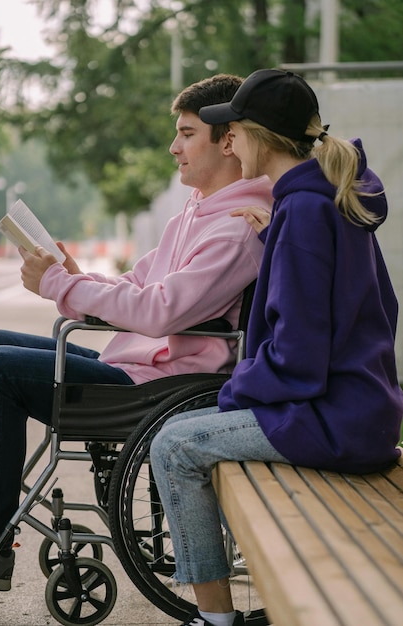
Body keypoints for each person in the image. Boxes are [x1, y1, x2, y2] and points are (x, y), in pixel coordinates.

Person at [0, 73, 274, 592]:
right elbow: (137, 284)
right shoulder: (195, 214)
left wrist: (59, 286)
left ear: (228, 140)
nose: (174, 147)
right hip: (137, 369)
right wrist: (74, 278)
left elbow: (161, 310)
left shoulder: (235, 228)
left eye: (187, 134)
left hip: (161, 387)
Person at [150, 68, 403, 626]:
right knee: (192, 432)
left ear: (259, 135)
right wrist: (278, 239)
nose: (228, 139)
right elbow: (380, 306)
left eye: (232, 128)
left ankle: (214, 620)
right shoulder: (323, 199)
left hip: (333, 421)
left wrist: (235, 389)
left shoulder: (307, 212)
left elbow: (297, 359)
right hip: (361, 410)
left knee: (174, 445)